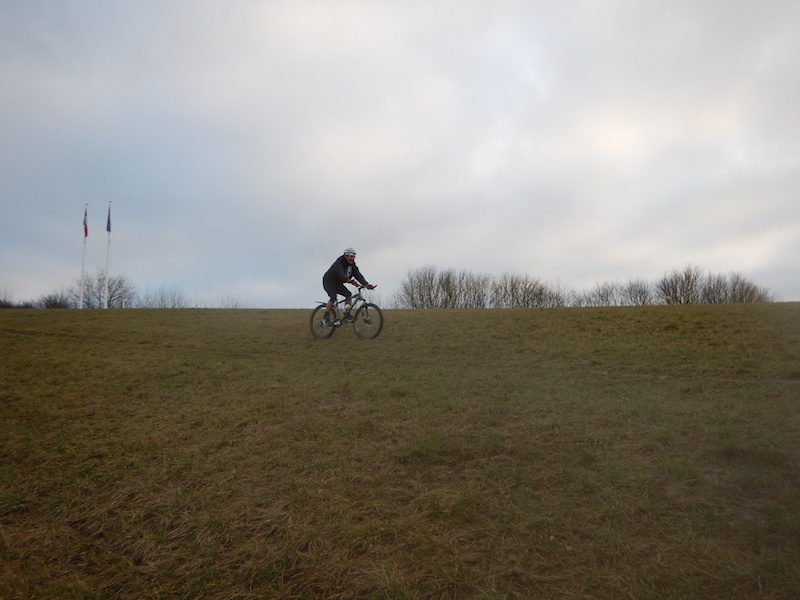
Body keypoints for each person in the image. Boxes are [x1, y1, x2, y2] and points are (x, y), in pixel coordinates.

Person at [321, 247, 375, 326]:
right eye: (350, 257)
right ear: (345, 256)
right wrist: (348, 280)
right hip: (329, 282)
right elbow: (340, 272)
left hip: (338, 283)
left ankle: (347, 315)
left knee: (348, 294)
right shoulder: (339, 262)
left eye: (353, 257)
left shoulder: (352, 265)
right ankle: (325, 318)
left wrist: (366, 284)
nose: (352, 259)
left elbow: (358, 275)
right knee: (333, 297)